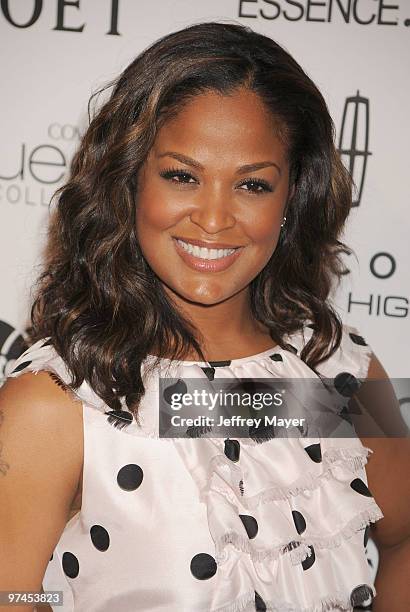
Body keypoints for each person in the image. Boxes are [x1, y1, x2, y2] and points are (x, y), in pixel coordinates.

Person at [0, 20, 409, 612]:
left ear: (293, 198)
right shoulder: (59, 401)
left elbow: (401, 538)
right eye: (182, 176)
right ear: (128, 183)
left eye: (252, 185)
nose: (214, 219)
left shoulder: (334, 369)